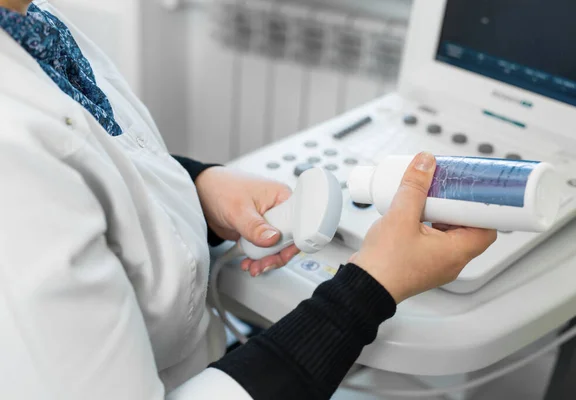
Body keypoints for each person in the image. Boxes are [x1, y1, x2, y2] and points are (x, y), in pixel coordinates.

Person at [0, 1, 497, 399]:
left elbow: (91, 165)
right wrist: (371, 289)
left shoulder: (32, 22)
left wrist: (199, 187)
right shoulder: (12, 158)